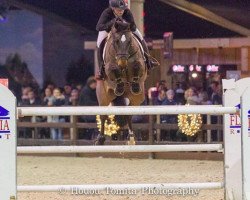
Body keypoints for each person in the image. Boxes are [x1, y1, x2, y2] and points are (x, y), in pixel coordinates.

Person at [96, 0, 159, 79]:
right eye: (119, 10)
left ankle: (148, 60)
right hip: (108, 30)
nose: (121, 11)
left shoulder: (127, 12)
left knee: (140, 38)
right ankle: (101, 68)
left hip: (125, 29)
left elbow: (133, 26)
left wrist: (124, 23)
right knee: (99, 43)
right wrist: (112, 22)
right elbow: (99, 27)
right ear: (113, 8)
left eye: (122, 9)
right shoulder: (107, 13)